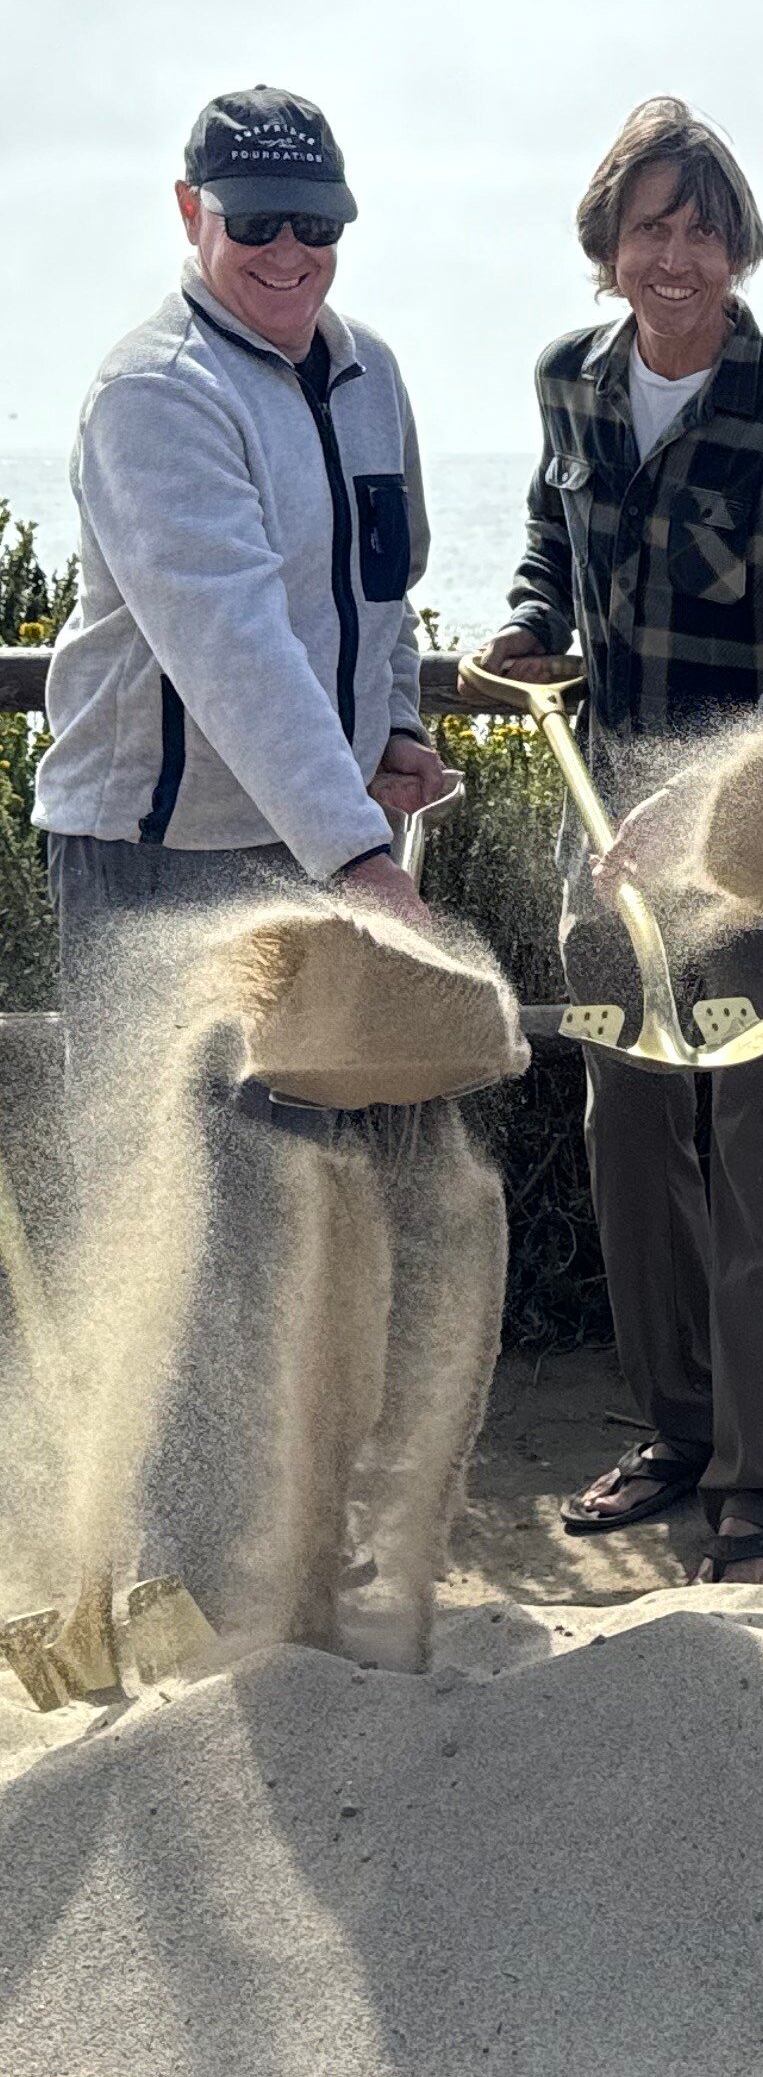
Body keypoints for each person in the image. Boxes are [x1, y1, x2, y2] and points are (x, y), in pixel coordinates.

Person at [31, 84, 471, 1639]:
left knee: (309, 1214)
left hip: (311, 855)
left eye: (321, 225)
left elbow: (379, 593)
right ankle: (165, 1574)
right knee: (174, 1232)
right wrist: (364, 857)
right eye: (257, 221)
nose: (292, 253)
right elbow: (229, 650)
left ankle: (275, 1552)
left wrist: (398, 737)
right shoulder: (150, 398)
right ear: (187, 213)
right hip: (155, 866)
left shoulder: (371, 376)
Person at [477, 98, 763, 1588]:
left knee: (761, 1154)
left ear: (737, 245)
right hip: (605, 840)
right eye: (651, 223)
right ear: (608, 245)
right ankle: (676, 1431)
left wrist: (702, 807)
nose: (678, 252)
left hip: (755, 848)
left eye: (703, 226)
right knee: (630, 1141)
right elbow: (545, 541)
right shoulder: (566, 386)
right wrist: (527, 620)